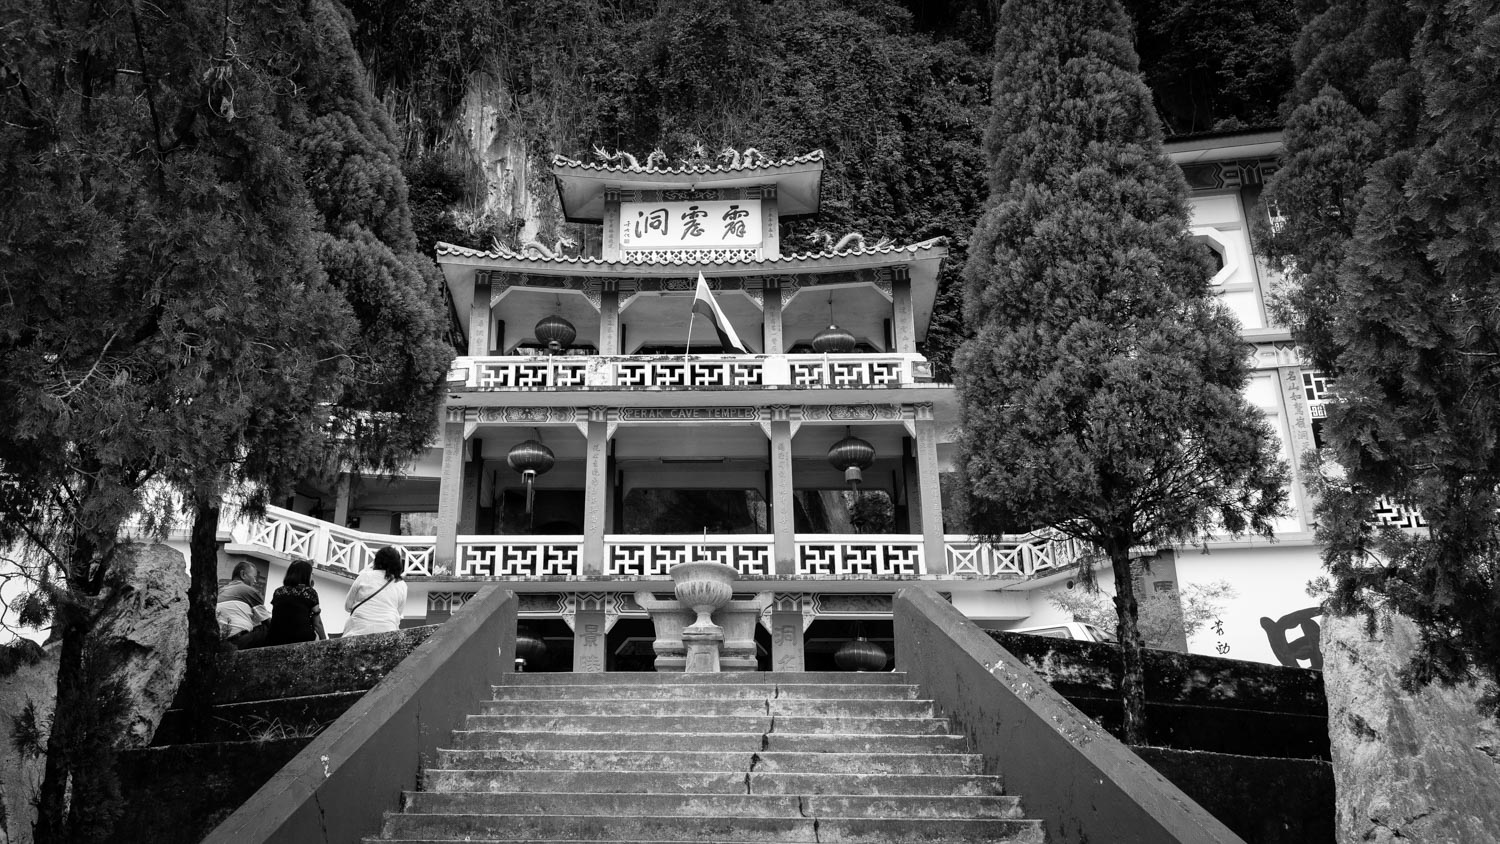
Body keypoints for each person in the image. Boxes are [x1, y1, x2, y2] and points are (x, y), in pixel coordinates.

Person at [343, 546, 407, 636]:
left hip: (358, 631)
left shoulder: (364, 576)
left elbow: (348, 606)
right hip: (388, 631)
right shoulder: (401, 584)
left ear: (377, 561)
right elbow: (399, 612)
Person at [266, 559, 321, 645]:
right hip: (301, 638)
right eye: (311, 574)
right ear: (306, 575)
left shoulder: (278, 592)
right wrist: (325, 640)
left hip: (275, 638)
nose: (312, 576)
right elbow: (317, 624)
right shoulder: (310, 592)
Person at [216, 560, 269, 649]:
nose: (255, 581)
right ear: (243, 574)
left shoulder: (219, 591)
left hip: (219, 642)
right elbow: (267, 621)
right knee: (266, 629)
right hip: (239, 641)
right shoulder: (249, 591)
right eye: (254, 577)